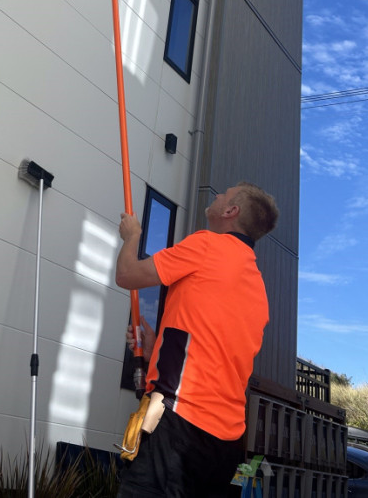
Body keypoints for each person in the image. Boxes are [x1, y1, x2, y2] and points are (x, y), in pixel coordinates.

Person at [115, 181, 279, 498]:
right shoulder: (258, 290)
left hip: (178, 425)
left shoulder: (207, 245)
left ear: (231, 211)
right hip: (225, 446)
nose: (217, 196)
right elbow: (214, 352)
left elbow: (127, 275)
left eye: (224, 195)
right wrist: (155, 354)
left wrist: (133, 236)